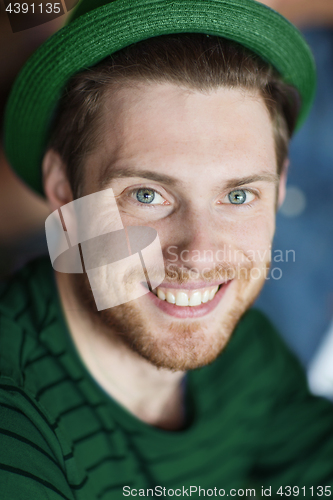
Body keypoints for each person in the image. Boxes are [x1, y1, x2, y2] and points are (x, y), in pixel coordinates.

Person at [1, 0, 333, 498]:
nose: (198, 255)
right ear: (64, 191)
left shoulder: (247, 355)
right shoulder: (17, 421)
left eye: (238, 195)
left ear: (281, 188)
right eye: (147, 195)